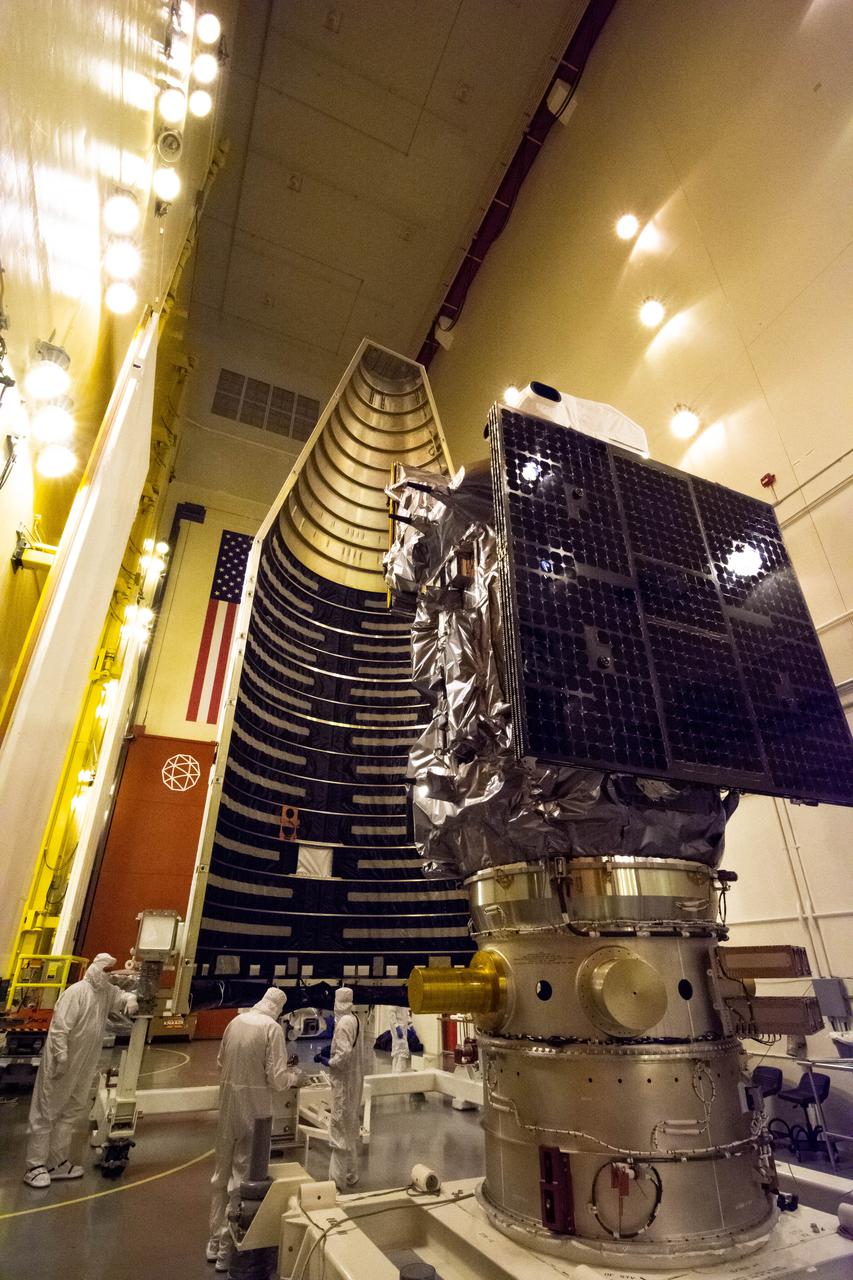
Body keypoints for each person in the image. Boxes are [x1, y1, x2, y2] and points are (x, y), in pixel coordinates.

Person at [208, 987, 306, 1271]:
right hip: (254, 1110)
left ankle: (213, 1241)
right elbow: (276, 1079)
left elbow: (219, 1062)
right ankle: (228, 1251)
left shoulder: (234, 1022)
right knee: (242, 1178)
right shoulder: (272, 1029)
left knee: (220, 1174)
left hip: (227, 1104)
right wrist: (295, 1076)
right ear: (278, 1007)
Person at [24, 953, 139, 1189]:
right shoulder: (76, 992)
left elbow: (120, 996)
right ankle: (35, 1165)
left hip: (86, 1062)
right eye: (105, 969)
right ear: (95, 969)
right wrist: (61, 1055)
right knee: (48, 1109)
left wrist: (130, 998)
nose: (107, 974)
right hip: (64, 1061)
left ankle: (57, 1163)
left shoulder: (105, 992)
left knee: (71, 1110)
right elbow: (59, 1028)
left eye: (110, 971)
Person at [328, 986, 364, 1190]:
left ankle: (335, 1185)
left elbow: (342, 1056)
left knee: (339, 1131)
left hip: (343, 1084)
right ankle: (352, 1174)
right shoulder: (355, 1019)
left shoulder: (343, 1024)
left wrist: (328, 1060)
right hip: (354, 1081)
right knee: (349, 1127)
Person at [390, 1006, 412, 1074]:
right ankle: (399, 1074)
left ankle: (394, 1074)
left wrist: (410, 1024)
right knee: (402, 1050)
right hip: (398, 1027)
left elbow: (406, 1013)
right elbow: (391, 1013)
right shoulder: (394, 999)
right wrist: (396, 1026)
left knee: (397, 1053)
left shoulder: (404, 1000)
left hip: (403, 1026)